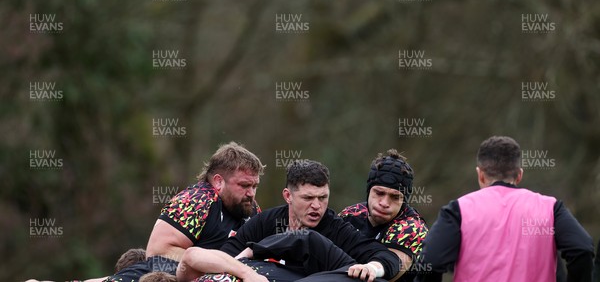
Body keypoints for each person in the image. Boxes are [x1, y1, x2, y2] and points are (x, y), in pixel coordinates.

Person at [177, 160, 400, 282]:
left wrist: (373, 267)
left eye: (323, 198)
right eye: (308, 198)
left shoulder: (336, 228)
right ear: (288, 196)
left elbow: (387, 258)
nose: (317, 206)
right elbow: (225, 257)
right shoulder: (264, 222)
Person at [415, 136, 594, 282]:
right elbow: (582, 249)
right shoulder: (551, 208)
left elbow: (431, 260)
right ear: (519, 175)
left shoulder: (458, 209)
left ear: (480, 174)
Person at [106, 142, 265, 282]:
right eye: (244, 185)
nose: (251, 193)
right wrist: (215, 265)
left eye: (255, 186)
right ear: (218, 181)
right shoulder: (196, 200)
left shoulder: (251, 208)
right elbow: (157, 251)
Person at [339, 150, 428, 281]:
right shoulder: (350, 214)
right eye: (379, 193)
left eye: (395, 197)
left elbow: (389, 273)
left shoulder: (413, 228)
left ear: (404, 201)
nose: (384, 203)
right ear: (369, 191)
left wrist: (372, 268)